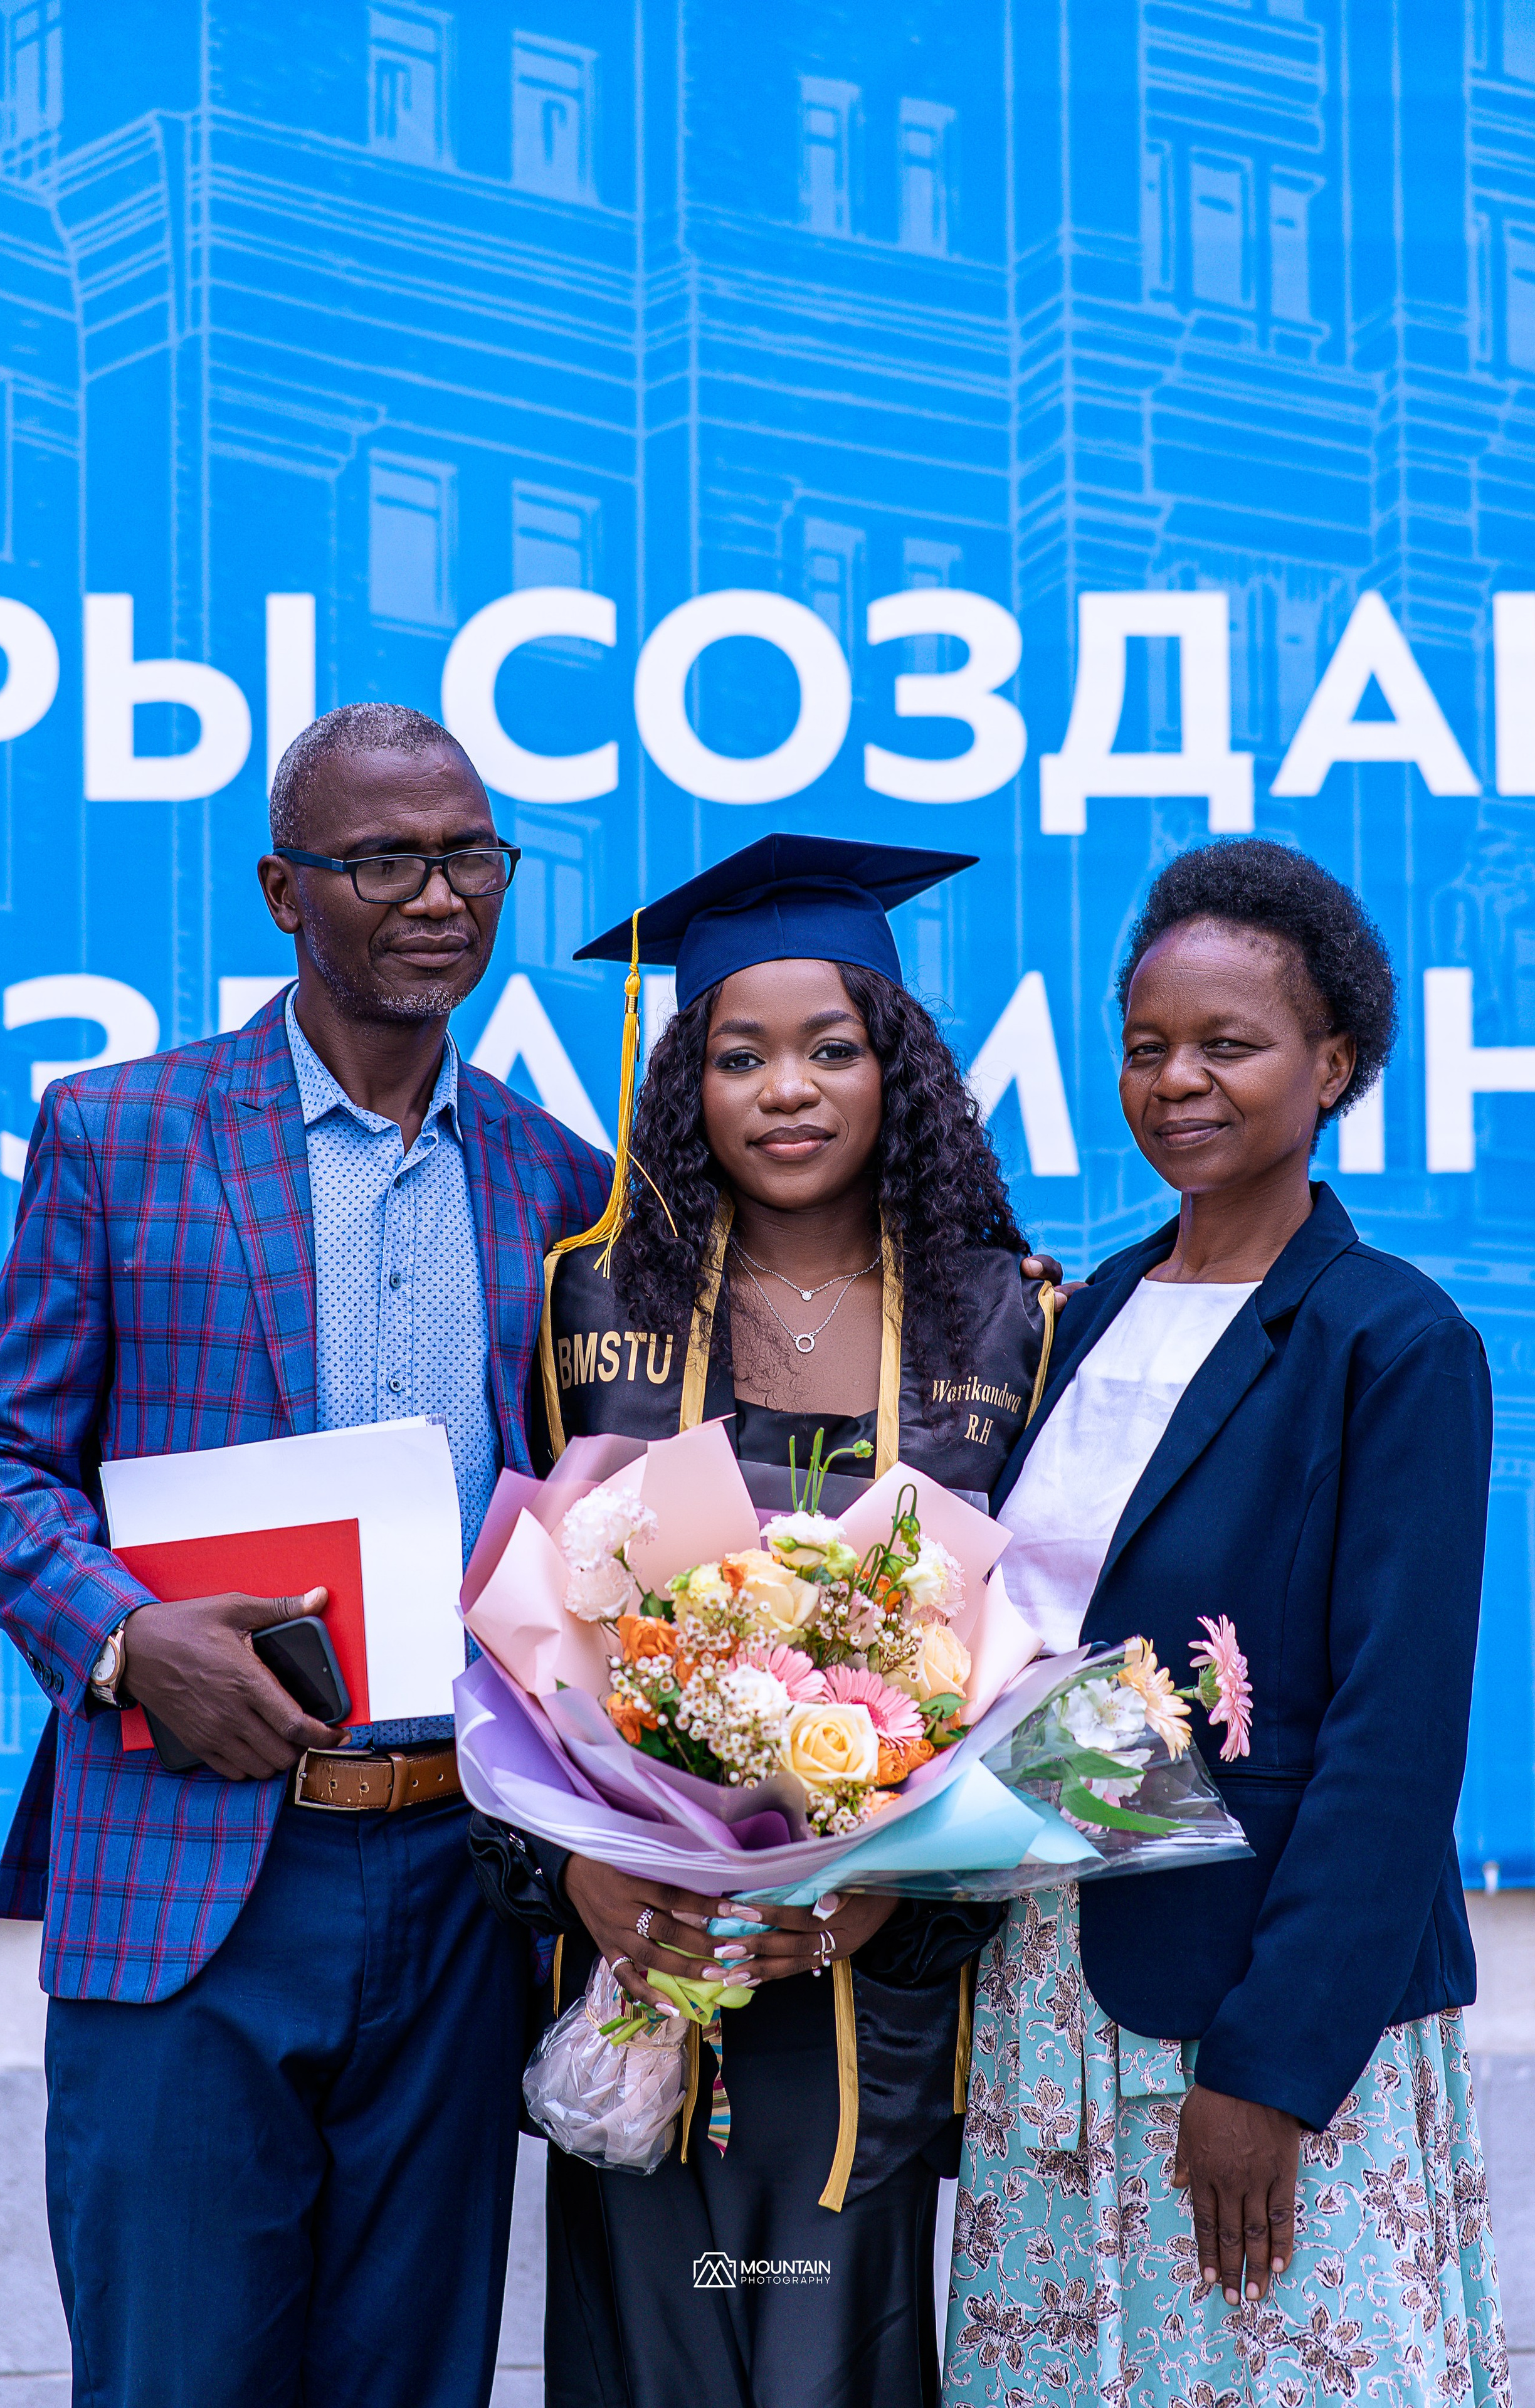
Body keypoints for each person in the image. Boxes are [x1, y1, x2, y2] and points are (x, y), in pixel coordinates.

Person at [0, 704, 610, 2408]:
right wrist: (125, 1639)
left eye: (469, 856)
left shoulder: (561, 1185)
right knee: (173, 2378)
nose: (438, 896)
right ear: (281, 890)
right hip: (191, 1869)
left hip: (461, 1885)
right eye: (383, 860)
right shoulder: (121, 1133)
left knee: (414, 2380)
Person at [471, 834, 1065, 2408]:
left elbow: (1046, 1662)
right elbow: (514, 1649)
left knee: (835, 2354)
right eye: (738, 1056)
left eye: (829, 1050)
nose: (784, 1090)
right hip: (640, 1955)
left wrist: (895, 1893)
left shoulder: (1008, 1315)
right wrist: (578, 1871)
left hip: (871, 1968)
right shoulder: (588, 1299)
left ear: (896, 1072)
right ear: (688, 1084)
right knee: (646, 2355)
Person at [944, 840, 1508, 2408]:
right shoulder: (1085, 1312)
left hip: (1255, 2013)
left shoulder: (1391, 1341)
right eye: (1145, 1046)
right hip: (1053, 1991)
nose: (1176, 1080)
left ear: (1332, 1065)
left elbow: (1395, 1742)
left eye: (1227, 1044)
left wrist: (1268, 2070)